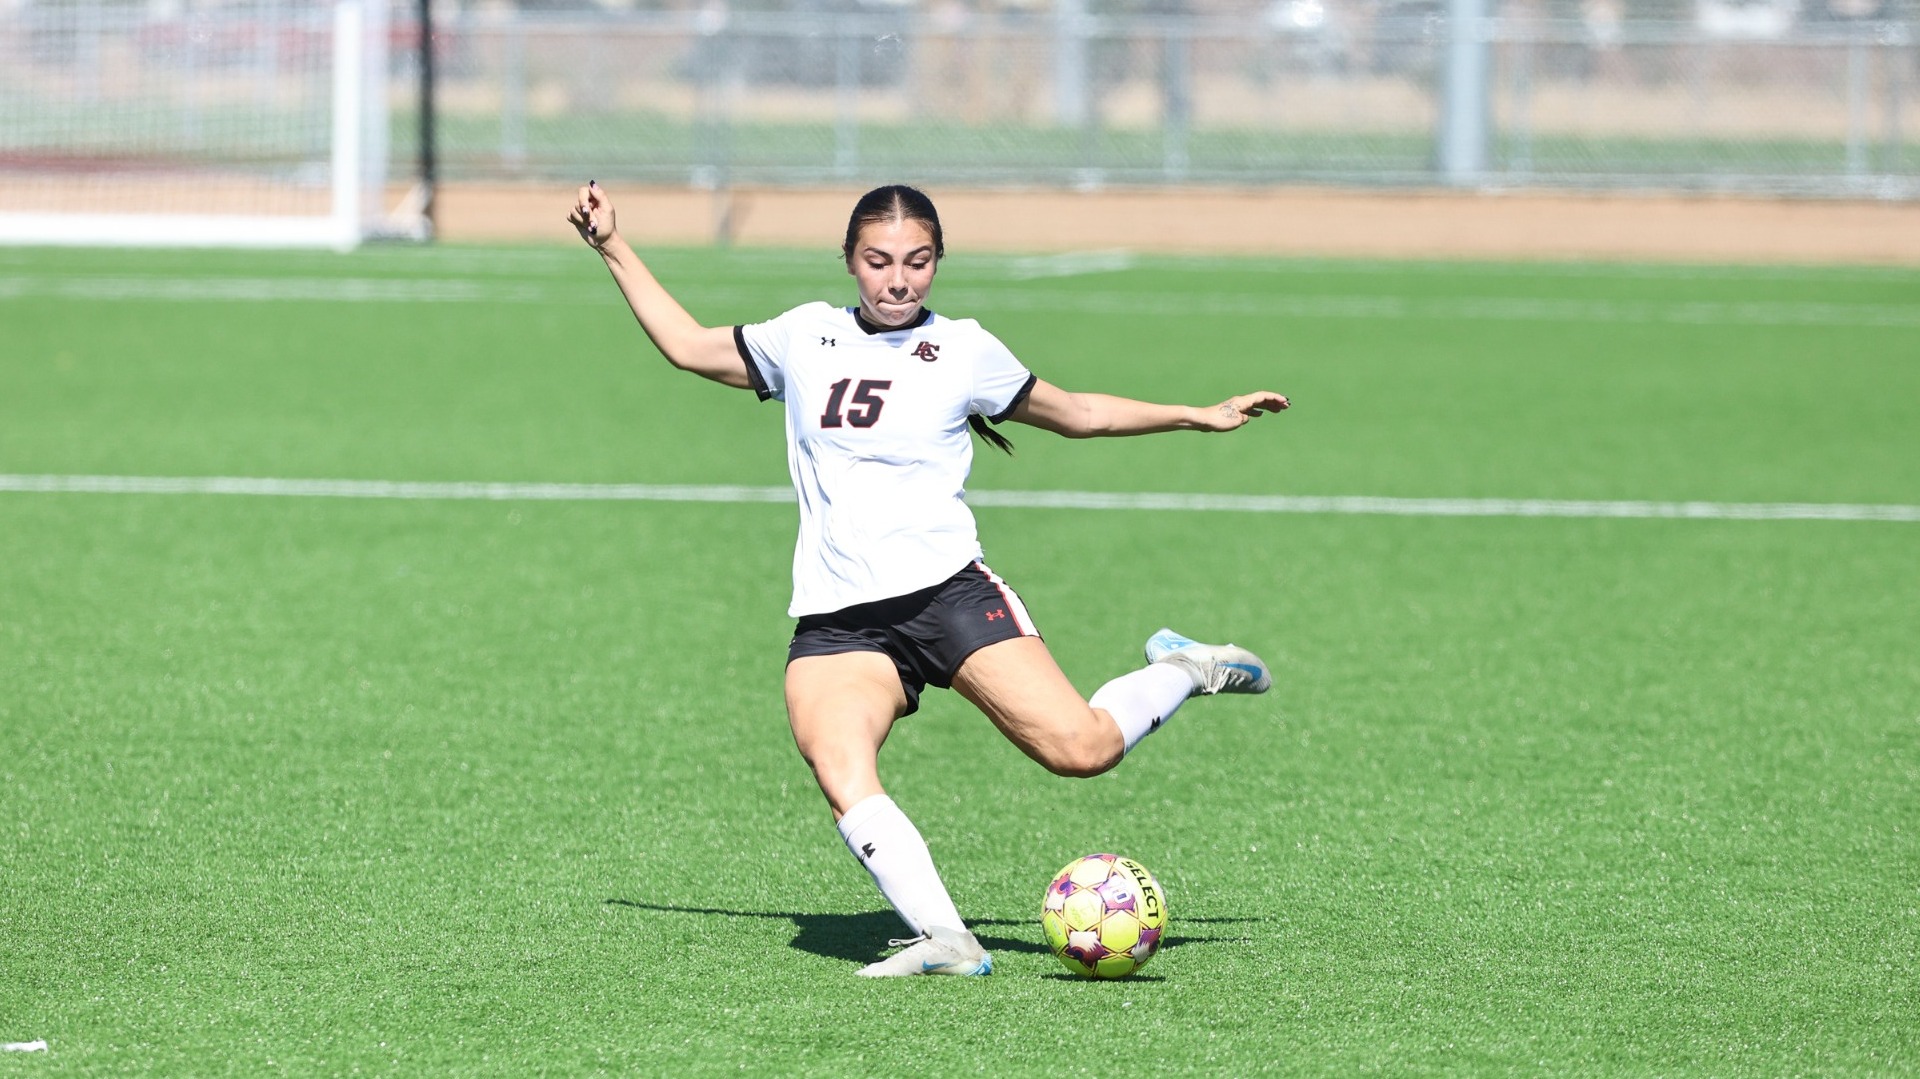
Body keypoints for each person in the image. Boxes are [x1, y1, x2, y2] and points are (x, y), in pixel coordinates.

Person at [568, 182, 1290, 977]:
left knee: (1081, 750)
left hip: (949, 595)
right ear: (849, 261)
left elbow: (1078, 411)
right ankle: (948, 937)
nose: (898, 280)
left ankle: (1183, 667)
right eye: (878, 262)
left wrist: (1197, 412)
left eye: (917, 262)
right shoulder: (804, 336)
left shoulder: (965, 349)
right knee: (840, 764)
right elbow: (686, 344)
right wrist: (611, 243)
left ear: (938, 262)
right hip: (839, 620)